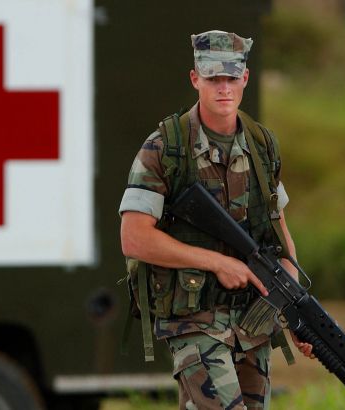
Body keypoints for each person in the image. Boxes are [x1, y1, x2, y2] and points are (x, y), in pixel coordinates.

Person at [119, 30, 313, 410]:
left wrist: (297, 313)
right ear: (195, 79)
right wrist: (217, 263)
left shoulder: (261, 145)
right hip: (193, 318)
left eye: (231, 77)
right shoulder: (166, 147)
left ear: (245, 78)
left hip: (252, 321)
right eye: (213, 78)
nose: (223, 88)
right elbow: (134, 238)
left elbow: (280, 236)